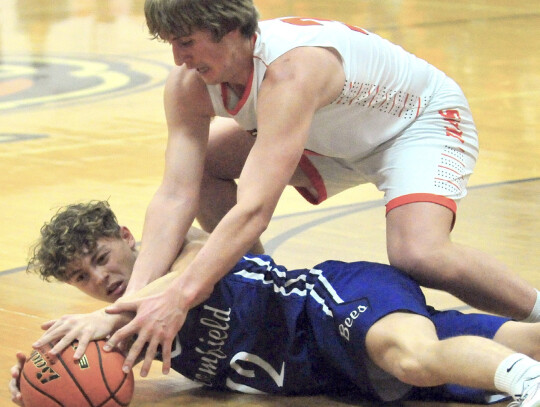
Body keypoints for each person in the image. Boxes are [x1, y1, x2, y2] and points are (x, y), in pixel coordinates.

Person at [104, 0, 540, 371]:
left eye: (186, 42)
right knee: (203, 168)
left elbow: (255, 209)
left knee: (419, 254)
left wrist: (179, 296)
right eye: (171, 44)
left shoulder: (291, 71)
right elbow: (175, 194)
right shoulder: (188, 84)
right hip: (326, 137)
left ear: (228, 28)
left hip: (415, 123)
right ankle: (260, 293)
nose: (179, 59)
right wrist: (129, 304)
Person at [8, 201, 540, 407]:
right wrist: (41, 375)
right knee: (510, 346)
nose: (102, 280)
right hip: (338, 370)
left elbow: (184, 276)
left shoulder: (189, 248)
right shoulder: (122, 327)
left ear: (127, 237)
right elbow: (93, 375)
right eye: (82, 277)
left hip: (329, 303)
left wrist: (102, 317)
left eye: (103, 258)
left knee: (415, 360)